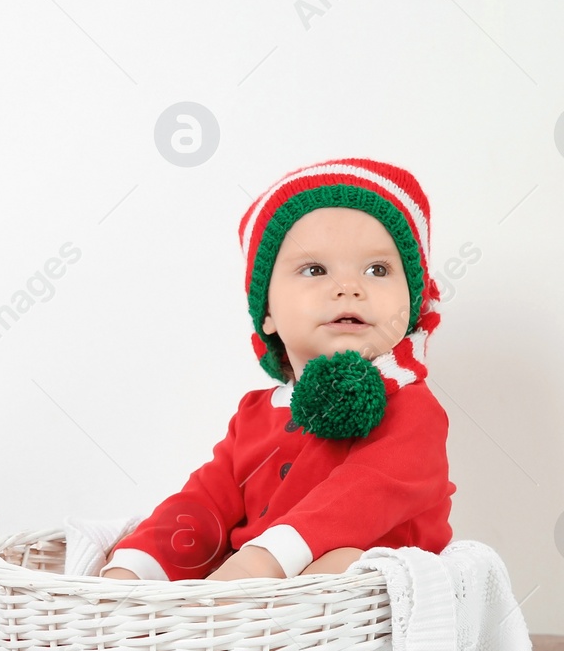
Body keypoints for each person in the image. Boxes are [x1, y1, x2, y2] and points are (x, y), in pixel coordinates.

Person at [100, 158, 456, 582]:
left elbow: (368, 488)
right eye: (314, 269)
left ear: (412, 302)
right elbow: (205, 501)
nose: (349, 287)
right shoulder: (254, 416)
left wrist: (264, 560)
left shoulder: (410, 407)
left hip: (365, 584)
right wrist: (138, 567)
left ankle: (285, 629)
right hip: (252, 591)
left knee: (345, 565)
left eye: (377, 270)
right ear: (266, 313)